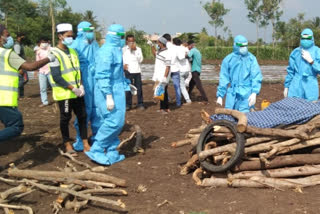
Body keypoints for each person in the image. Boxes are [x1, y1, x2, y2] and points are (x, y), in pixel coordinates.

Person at [85, 24, 136, 165]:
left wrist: (126, 83)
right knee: (114, 122)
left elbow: (117, 72)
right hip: (108, 90)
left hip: (117, 88)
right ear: (115, 36)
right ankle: (97, 148)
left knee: (112, 121)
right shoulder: (106, 52)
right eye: (121, 37)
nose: (123, 40)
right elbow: (102, 75)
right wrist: (108, 95)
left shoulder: (115, 50)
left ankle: (112, 150)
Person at [0, 24, 56, 141]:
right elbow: (30, 67)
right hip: (3, 99)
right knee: (16, 126)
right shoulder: (7, 54)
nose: (9, 38)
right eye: (7, 35)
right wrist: (49, 58)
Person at [49, 23, 90, 155]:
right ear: (60, 36)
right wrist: (72, 88)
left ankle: (85, 143)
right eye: (68, 36)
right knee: (65, 119)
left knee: (83, 117)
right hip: (65, 93)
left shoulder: (73, 51)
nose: (70, 39)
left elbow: (77, 71)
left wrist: (81, 85)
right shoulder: (53, 53)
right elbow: (56, 76)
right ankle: (67, 145)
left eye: (72, 36)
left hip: (77, 92)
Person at [70, 21, 100, 152]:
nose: (91, 33)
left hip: (95, 78)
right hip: (83, 78)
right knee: (84, 110)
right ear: (81, 31)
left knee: (96, 108)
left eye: (92, 30)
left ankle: (96, 136)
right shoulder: (74, 45)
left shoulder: (94, 43)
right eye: (88, 30)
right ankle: (80, 139)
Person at [216, 35, 263, 112]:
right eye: (241, 46)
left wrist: (254, 93)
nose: (244, 48)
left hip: (246, 94)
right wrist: (220, 95)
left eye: (245, 46)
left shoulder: (251, 59)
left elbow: (256, 76)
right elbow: (223, 78)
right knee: (230, 116)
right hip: (232, 94)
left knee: (244, 117)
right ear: (235, 46)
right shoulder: (228, 60)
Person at [284, 28, 320, 102]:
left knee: (311, 109)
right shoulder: (295, 52)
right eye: (303, 38)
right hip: (295, 85)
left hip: (310, 85)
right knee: (293, 108)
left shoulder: (317, 52)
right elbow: (291, 71)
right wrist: (286, 86)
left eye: (308, 38)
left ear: (312, 38)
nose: (305, 40)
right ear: (300, 38)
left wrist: (312, 61)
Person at [123, 34, 144, 110]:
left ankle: (140, 103)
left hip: (137, 71)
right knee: (128, 88)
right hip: (128, 71)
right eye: (129, 41)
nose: (131, 43)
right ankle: (128, 104)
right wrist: (123, 66)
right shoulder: (123, 49)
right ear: (127, 41)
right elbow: (121, 60)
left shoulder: (138, 49)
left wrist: (135, 51)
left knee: (139, 88)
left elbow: (140, 60)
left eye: (132, 41)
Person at [151, 37, 171, 113]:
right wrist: (151, 46)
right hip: (159, 75)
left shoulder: (167, 53)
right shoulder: (160, 51)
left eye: (158, 43)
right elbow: (154, 54)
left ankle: (164, 108)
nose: (157, 44)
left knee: (162, 91)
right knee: (162, 91)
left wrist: (165, 77)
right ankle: (164, 108)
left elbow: (168, 66)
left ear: (161, 43)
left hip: (163, 75)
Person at [187, 40, 209, 104]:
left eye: (188, 46)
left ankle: (205, 98)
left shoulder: (193, 50)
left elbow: (188, 55)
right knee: (191, 84)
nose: (188, 47)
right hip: (198, 70)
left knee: (198, 85)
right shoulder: (197, 51)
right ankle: (188, 95)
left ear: (190, 45)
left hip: (195, 70)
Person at [163, 34, 181, 107]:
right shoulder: (176, 47)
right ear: (170, 39)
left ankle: (166, 100)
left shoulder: (164, 47)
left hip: (167, 69)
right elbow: (180, 57)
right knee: (177, 86)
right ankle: (178, 102)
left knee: (164, 85)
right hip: (175, 68)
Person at [173, 38, 191, 105]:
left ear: (174, 43)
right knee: (183, 85)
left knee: (182, 86)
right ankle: (182, 98)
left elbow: (181, 58)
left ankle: (188, 100)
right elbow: (189, 56)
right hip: (187, 70)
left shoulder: (176, 49)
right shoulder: (184, 48)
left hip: (181, 70)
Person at [36, 37, 52, 107]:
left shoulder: (51, 49)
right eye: (42, 42)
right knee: (42, 88)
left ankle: (60, 100)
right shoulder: (38, 51)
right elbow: (37, 61)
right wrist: (36, 70)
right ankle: (44, 102)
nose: (43, 44)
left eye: (45, 42)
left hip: (50, 70)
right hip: (42, 71)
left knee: (54, 85)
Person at [13, 33, 28, 99]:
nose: (23, 38)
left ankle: (21, 94)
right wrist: (20, 67)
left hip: (22, 63)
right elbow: (17, 56)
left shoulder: (20, 44)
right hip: (20, 65)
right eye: (22, 37)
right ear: (18, 37)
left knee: (24, 79)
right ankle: (19, 95)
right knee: (22, 80)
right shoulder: (17, 45)